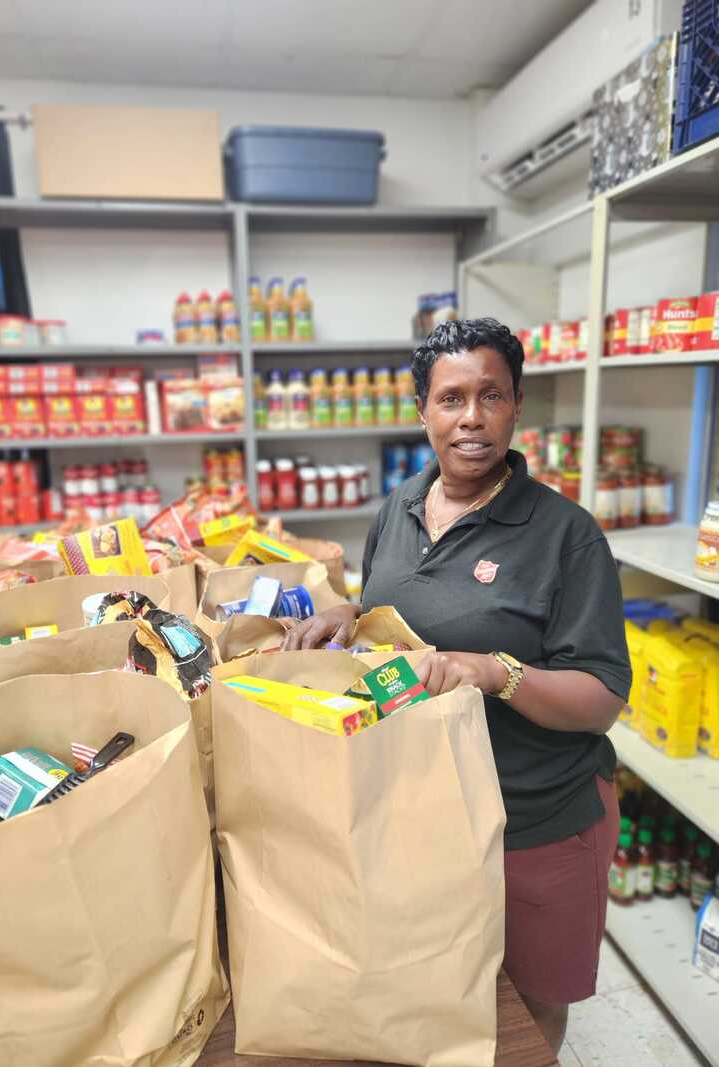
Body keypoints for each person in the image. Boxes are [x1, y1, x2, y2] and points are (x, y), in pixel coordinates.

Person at [282, 317, 631, 1055]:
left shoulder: (566, 535)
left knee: (532, 1008)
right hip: (425, 808)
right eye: (451, 399)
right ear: (423, 411)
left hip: (534, 819)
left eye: (491, 396)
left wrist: (494, 670)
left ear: (516, 406)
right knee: (448, 991)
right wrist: (349, 613)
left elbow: (602, 698)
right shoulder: (400, 505)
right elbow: (393, 604)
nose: (472, 417)